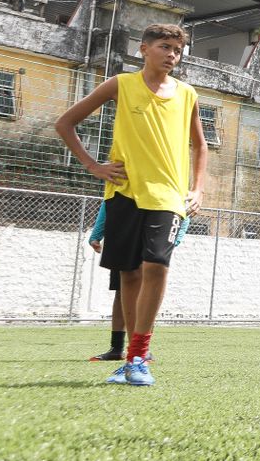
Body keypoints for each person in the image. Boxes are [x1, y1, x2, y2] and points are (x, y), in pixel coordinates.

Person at [55, 23, 207, 386]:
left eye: (178, 50)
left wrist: (197, 189)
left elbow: (200, 146)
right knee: (129, 273)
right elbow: (65, 123)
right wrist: (93, 166)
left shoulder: (187, 94)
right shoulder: (120, 85)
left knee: (156, 265)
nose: (172, 54)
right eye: (165, 47)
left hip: (168, 197)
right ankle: (128, 357)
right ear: (143, 49)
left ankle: (138, 356)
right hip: (123, 193)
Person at [86, 198, 189, 362]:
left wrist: (175, 238)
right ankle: (117, 348)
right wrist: (96, 233)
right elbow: (109, 201)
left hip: (151, 235)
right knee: (120, 291)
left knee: (147, 291)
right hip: (124, 230)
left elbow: (182, 206)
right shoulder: (123, 179)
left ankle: (142, 350)